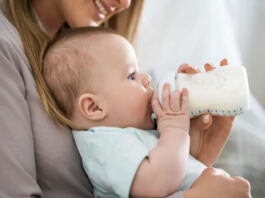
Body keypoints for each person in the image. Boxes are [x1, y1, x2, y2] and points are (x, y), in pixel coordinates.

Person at [0, 0, 250, 197]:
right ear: (93, 106)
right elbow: (156, 181)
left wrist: (197, 150)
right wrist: (176, 131)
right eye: (132, 76)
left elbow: (161, 179)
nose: (125, 3)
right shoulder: (105, 142)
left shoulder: (92, 53)